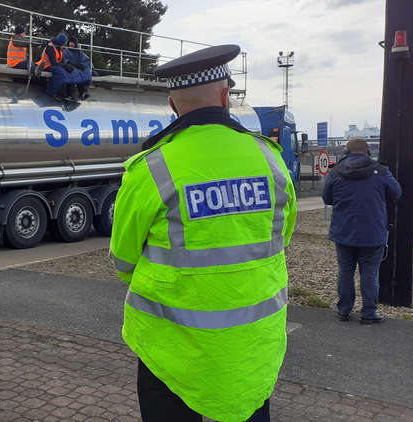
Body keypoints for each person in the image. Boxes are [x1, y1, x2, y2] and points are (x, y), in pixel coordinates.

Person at [110, 45, 297, 422]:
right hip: (252, 352)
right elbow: (282, 237)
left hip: (173, 359)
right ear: (226, 94)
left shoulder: (152, 168)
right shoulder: (269, 158)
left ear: (172, 104)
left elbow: (123, 261)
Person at [322, 138, 401, 324]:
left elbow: (327, 198)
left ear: (346, 152)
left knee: (345, 272)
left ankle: (344, 311)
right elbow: (396, 193)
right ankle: (369, 313)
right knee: (370, 273)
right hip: (373, 233)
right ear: (367, 152)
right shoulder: (381, 171)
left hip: (344, 232)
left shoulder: (336, 172)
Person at [35, 33, 73, 100]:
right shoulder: (50, 47)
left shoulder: (59, 48)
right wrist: (65, 66)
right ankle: (51, 92)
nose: (64, 46)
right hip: (45, 65)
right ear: (60, 43)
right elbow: (54, 63)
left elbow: (61, 60)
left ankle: (66, 94)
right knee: (60, 72)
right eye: (63, 43)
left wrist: (67, 64)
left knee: (68, 71)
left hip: (54, 66)